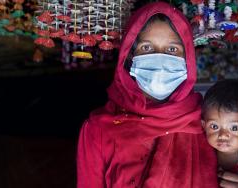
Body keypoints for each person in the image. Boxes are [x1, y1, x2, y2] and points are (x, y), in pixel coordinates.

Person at [76, 2, 220, 187]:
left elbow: (237, 165)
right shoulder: (98, 130)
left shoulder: (209, 124)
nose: (160, 58)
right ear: (129, 57)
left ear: (188, 59)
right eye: (147, 48)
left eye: (172, 50)